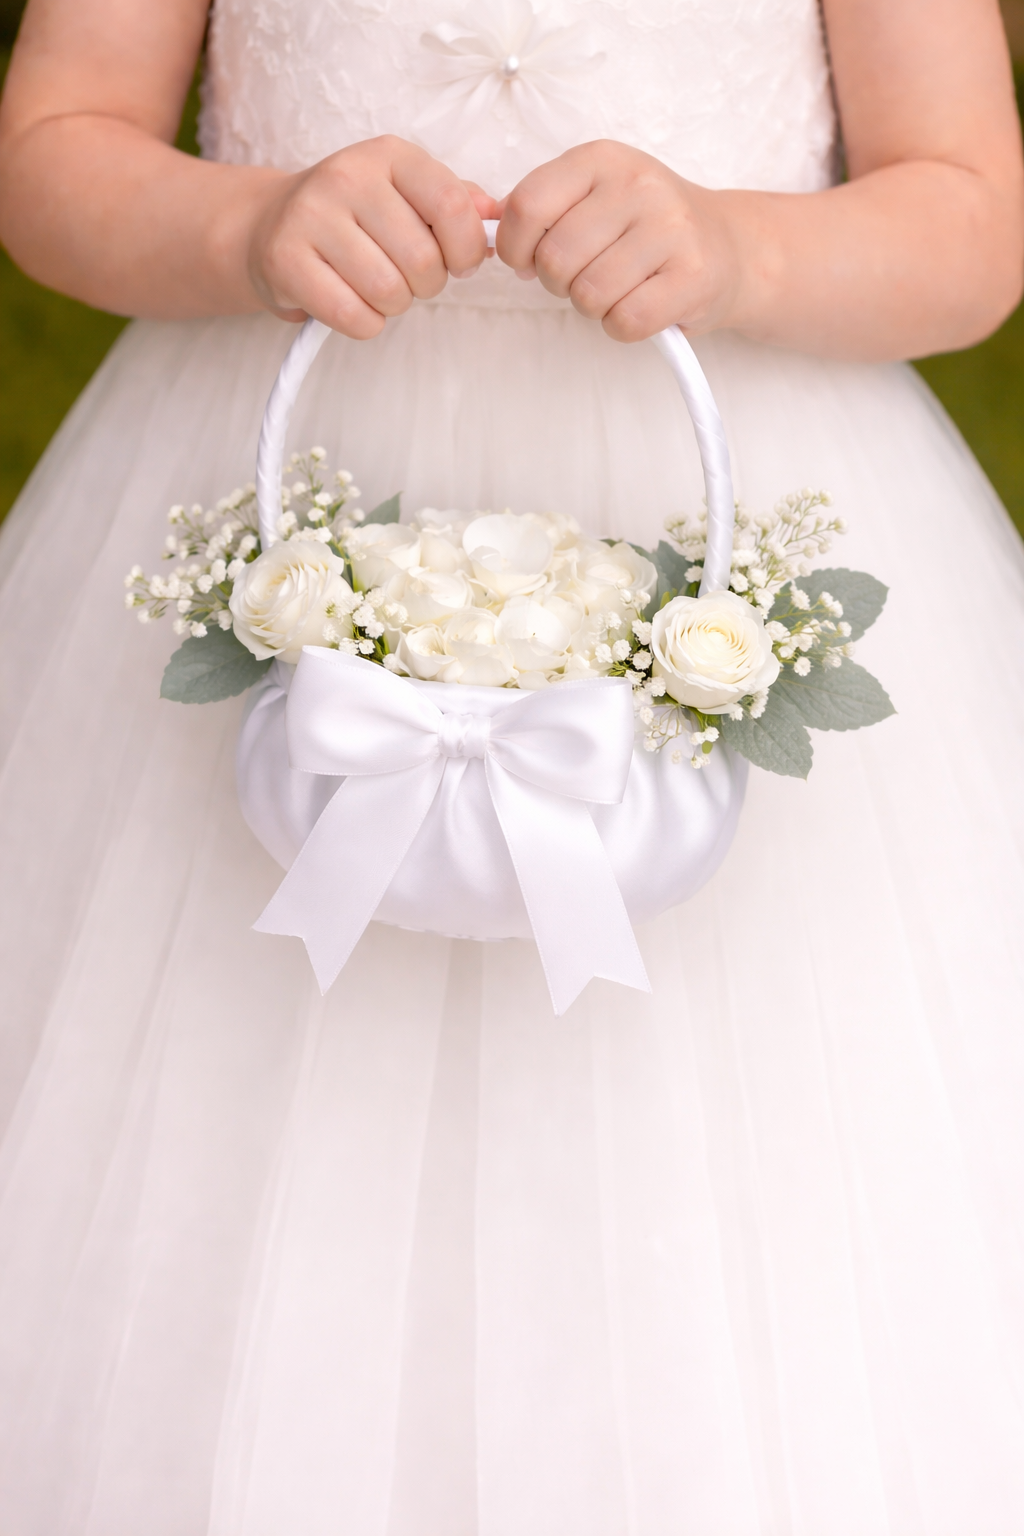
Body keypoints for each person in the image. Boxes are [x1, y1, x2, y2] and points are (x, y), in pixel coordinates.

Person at [1, 0, 1024, 1529]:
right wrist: (245, 227)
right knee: (233, 1114)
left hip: (721, 472)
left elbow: (969, 215)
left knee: (744, 1153)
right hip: (287, 464)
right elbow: (54, 149)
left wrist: (741, 250)